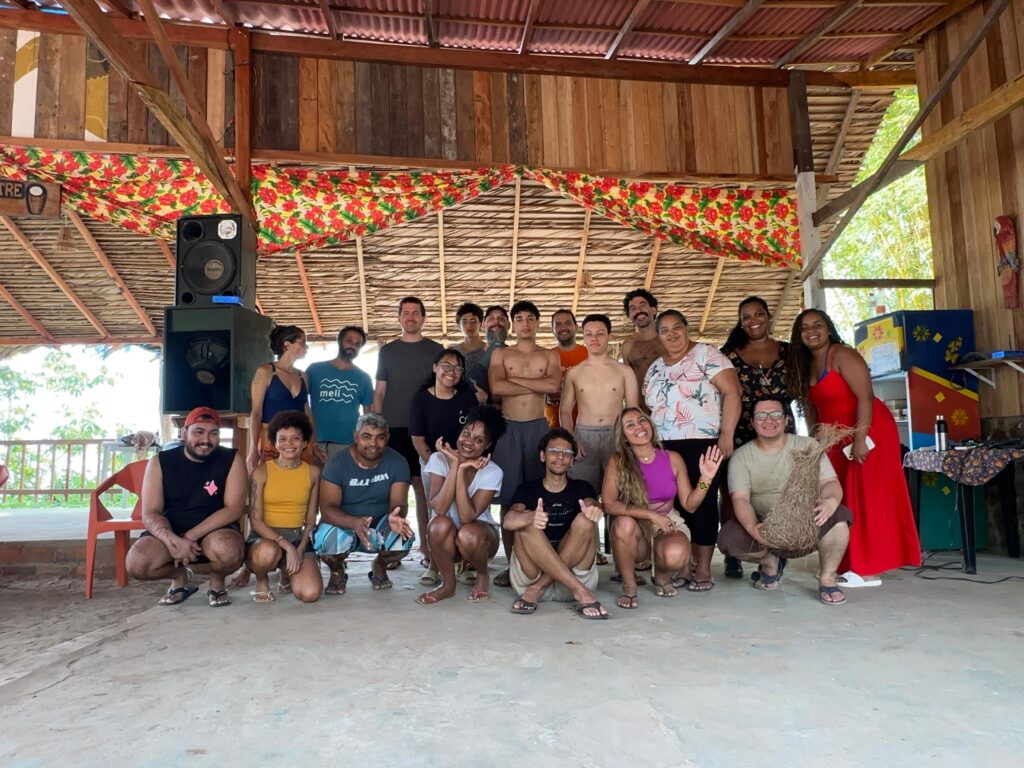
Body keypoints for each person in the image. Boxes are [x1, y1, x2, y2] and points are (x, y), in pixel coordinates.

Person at [786, 308, 921, 585]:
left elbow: (866, 397)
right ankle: (845, 562)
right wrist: (814, 444)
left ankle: (867, 569)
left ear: (828, 328)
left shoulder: (842, 355)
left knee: (865, 497)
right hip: (834, 438)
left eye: (817, 324)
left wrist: (860, 439)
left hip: (866, 432)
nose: (811, 331)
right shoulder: (805, 364)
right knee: (840, 496)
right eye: (804, 328)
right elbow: (812, 409)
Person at [718, 397, 852, 605]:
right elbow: (741, 499)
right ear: (752, 422)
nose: (769, 420)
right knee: (729, 538)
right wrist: (753, 528)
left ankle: (827, 578)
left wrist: (830, 501)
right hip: (766, 522)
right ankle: (771, 564)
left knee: (839, 519)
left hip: (806, 519)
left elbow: (829, 482)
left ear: (786, 420)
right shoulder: (741, 456)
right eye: (761, 415)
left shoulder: (808, 445)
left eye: (775, 414)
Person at [644, 309, 740, 593]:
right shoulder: (655, 367)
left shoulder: (706, 354)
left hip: (703, 442)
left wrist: (726, 434)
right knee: (676, 504)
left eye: (677, 327)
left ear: (686, 328)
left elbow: (733, 392)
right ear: (658, 336)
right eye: (664, 330)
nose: (671, 334)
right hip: (664, 447)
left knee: (704, 502)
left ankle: (704, 567)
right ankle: (684, 565)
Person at [126, 407, 246, 607]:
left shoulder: (232, 459)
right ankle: (179, 576)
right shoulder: (160, 462)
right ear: (184, 432)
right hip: (170, 530)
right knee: (137, 564)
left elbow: (233, 508)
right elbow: (150, 513)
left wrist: (190, 537)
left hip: (215, 530)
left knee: (229, 550)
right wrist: (171, 539)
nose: (206, 439)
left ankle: (217, 582)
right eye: (199, 432)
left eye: (213, 433)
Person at [603, 407, 722, 608]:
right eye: (630, 425)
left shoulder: (672, 458)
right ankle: (629, 586)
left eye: (642, 421)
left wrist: (706, 479)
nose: (639, 427)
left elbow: (690, 505)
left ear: (650, 425)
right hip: (635, 526)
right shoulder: (617, 461)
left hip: (667, 520)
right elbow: (608, 504)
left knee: (675, 554)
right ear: (622, 436)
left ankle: (661, 575)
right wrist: (649, 515)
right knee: (623, 524)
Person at [489, 300, 562, 587]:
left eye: (530, 318)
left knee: (539, 496)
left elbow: (553, 387)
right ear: (513, 324)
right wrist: (535, 382)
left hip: (537, 428)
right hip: (507, 429)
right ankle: (512, 566)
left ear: (537, 323)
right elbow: (497, 388)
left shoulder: (549, 355)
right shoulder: (501, 354)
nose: (525, 323)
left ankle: (539, 563)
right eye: (519, 318)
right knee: (508, 499)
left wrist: (514, 380)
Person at [718, 296, 792, 579]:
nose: (753, 321)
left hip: (779, 428)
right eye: (746, 317)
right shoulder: (728, 354)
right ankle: (733, 554)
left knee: (779, 489)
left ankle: (774, 553)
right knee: (732, 490)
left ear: (768, 317)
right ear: (740, 322)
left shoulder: (789, 351)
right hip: (739, 429)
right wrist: (724, 432)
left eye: (758, 314)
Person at [504, 428, 608, 619]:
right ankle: (580, 592)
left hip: (562, 580)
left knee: (586, 520)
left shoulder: (582, 487)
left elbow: (592, 503)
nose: (560, 457)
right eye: (553, 451)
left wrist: (594, 508)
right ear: (542, 456)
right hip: (532, 577)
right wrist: (530, 517)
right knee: (525, 521)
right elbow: (508, 521)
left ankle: (540, 587)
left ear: (572, 460)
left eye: (566, 453)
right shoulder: (527, 489)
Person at [373, 296, 444, 569]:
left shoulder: (436, 349)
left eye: (416, 313)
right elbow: (380, 391)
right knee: (395, 491)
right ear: (399, 318)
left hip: (427, 429)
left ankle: (429, 549)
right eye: (406, 313)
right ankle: (393, 551)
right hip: (394, 428)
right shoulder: (387, 351)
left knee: (425, 490)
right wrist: (378, 426)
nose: (411, 317)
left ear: (423, 318)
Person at [313, 413, 415, 594]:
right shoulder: (337, 464)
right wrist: (354, 523)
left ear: (387, 438)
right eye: (366, 436)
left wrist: (396, 516)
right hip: (344, 525)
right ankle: (337, 571)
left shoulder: (398, 462)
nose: (373, 444)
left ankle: (379, 566)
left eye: (380, 437)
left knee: (403, 538)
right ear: (355, 436)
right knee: (325, 542)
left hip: (380, 525)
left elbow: (399, 502)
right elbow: (327, 509)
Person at [416, 406, 507, 604]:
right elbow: (439, 508)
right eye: (466, 433)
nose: (469, 442)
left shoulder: (493, 472)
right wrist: (456, 465)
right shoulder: (439, 459)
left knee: (468, 533)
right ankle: (448, 586)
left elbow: (467, 517)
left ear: (488, 445)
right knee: (437, 525)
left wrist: (462, 470)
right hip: (447, 541)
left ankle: (482, 575)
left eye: (478, 440)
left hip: (480, 541)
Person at [409, 347, 481, 584]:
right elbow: (418, 439)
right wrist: (439, 464)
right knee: (437, 513)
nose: (451, 372)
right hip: (433, 462)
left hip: (464, 463)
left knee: (464, 510)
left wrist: (462, 463)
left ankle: (465, 564)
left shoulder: (466, 397)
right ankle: (434, 565)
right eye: (446, 366)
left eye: (458, 368)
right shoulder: (421, 398)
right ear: (435, 368)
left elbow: (476, 432)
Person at [245, 411, 323, 603]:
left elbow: (311, 519)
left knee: (310, 594)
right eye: (283, 439)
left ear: (305, 442)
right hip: (265, 538)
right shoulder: (261, 472)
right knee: (267, 553)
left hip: (297, 537)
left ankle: (286, 572)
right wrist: (287, 546)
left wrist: (300, 548)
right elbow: (256, 521)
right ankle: (262, 580)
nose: (289, 443)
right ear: (274, 443)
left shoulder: (313, 472)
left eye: (295, 438)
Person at [560, 314, 640, 493]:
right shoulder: (574, 373)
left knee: (620, 492)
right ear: (583, 337)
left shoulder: (624, 371)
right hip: (583, 437)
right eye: (588, 334)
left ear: (609, 336)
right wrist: (572, 439)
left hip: (616, 435)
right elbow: (564, 410)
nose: (594, 339)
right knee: (583, 494)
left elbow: (633, 409)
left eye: (600, 333)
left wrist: (629, 440)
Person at [248, 325, 320, 474]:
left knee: (299, 480)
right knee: (271, 480)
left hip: (299, 439)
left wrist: (312, 443)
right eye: (302, 342)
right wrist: (253, 449)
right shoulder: (266, 371)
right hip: (271, 439)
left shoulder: (302, 375)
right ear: (287, 345)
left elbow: (307, 411)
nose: (306, 347)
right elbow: (256, 412)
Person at [306, 325, 374, 462]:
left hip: (347, 444)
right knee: (313, 477)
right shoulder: (314, 370)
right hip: (314, 442)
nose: (352, 346)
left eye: (357, 344)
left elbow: (367, 415)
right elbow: (301, 403)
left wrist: (363, 443)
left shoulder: (364, 378)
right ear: (339, 341)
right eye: (349, 340)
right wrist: (308, 441)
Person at [619, 289, 666, 412]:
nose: (638, 311)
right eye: (633, 308)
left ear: (654, 309)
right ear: (629, 315)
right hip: (643, 410)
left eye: (642, 305)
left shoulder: (668, 339)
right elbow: (628, 383)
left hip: (672, 406)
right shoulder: (627, 346)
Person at [544, 309, 588, 428]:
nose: (563, 328)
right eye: (558, 324)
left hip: (587, 425)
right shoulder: (545, 357)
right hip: (554, 426)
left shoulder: (589, 354)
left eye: (568, 323)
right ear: (552, 330)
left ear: (576, 327)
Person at [470, 304, 510, 402]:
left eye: (501, 318)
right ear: (483, 325)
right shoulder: (470, 358)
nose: (496, 322)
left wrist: (488, 398)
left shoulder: (517, 356)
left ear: (508, 325)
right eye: (491, 318)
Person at [454, 302, 487, 398]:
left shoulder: (489, 351)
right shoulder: (452, 352)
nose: (469, 325)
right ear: (458, 326)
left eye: (473, 321)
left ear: (481, 324)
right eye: (464, 321)